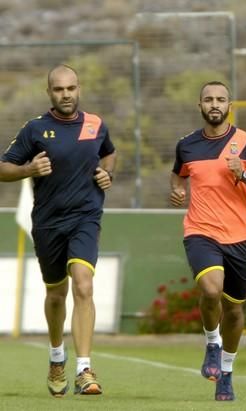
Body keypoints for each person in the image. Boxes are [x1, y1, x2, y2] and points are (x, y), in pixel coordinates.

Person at [0, 64, 115, 396]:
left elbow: (110, 154)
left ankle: (84, 370)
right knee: (56, 294)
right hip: (48, 222)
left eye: (71, 88)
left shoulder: (95, 125)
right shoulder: (35, 129)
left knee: (83, 284)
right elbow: (3, 167)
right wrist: (28, 168)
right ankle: (55, 356)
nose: (66, 94)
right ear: (49, 92)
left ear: (79, 89)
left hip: (85, 217)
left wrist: (108, 174)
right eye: (59, 89)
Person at [170, 81, 246, 401]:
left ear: (230, 106)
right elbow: (178, 173)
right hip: (200, 231)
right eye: (208, 99)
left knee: (232, 310)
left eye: (220, 99)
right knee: (210, 288)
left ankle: (226, 373)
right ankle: (212, 344)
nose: (214, 104)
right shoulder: (186, 145)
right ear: (199, 105)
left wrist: (243, 174)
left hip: (240, 236)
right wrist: (177, 189)